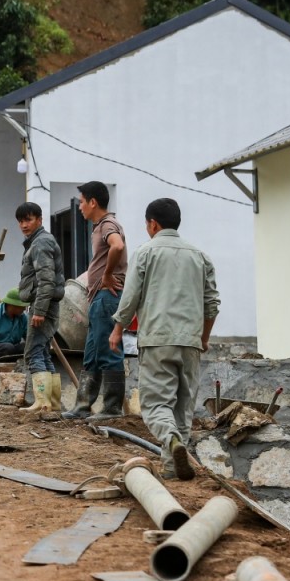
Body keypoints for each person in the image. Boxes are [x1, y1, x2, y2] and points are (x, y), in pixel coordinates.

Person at [110, 198, 219, 481]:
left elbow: (130, 295)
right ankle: (172, 468)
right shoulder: (200, 256)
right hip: (190, 342)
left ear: (152, 224)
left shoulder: (146, 253)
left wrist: (118, 329)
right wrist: (204, 338)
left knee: (157, 404)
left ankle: (170, 441)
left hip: (158, 340)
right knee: (183, 407)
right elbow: (212, 304)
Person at [64, 181, 128, 420]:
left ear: (93, 202)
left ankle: (112, 407)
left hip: (106, 298)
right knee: (92, 353)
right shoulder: (100, 226)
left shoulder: (108, 225)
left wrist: (108, 274)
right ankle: (82, 405)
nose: (80, 207)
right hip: (97, 299)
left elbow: (117, 246)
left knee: (108, 350)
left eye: (81, 202)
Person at [17, 202, 64, 412]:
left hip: (43, 304)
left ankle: (42, 403)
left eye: (28, 219)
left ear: (39, 220)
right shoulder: (40, 241)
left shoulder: (40, 244)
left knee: (33, 351)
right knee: (43, 351)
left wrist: (39, 311)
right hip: (46, 303)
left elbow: (46, 280)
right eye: (21, 221)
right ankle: (51, 403)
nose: (24, 225)